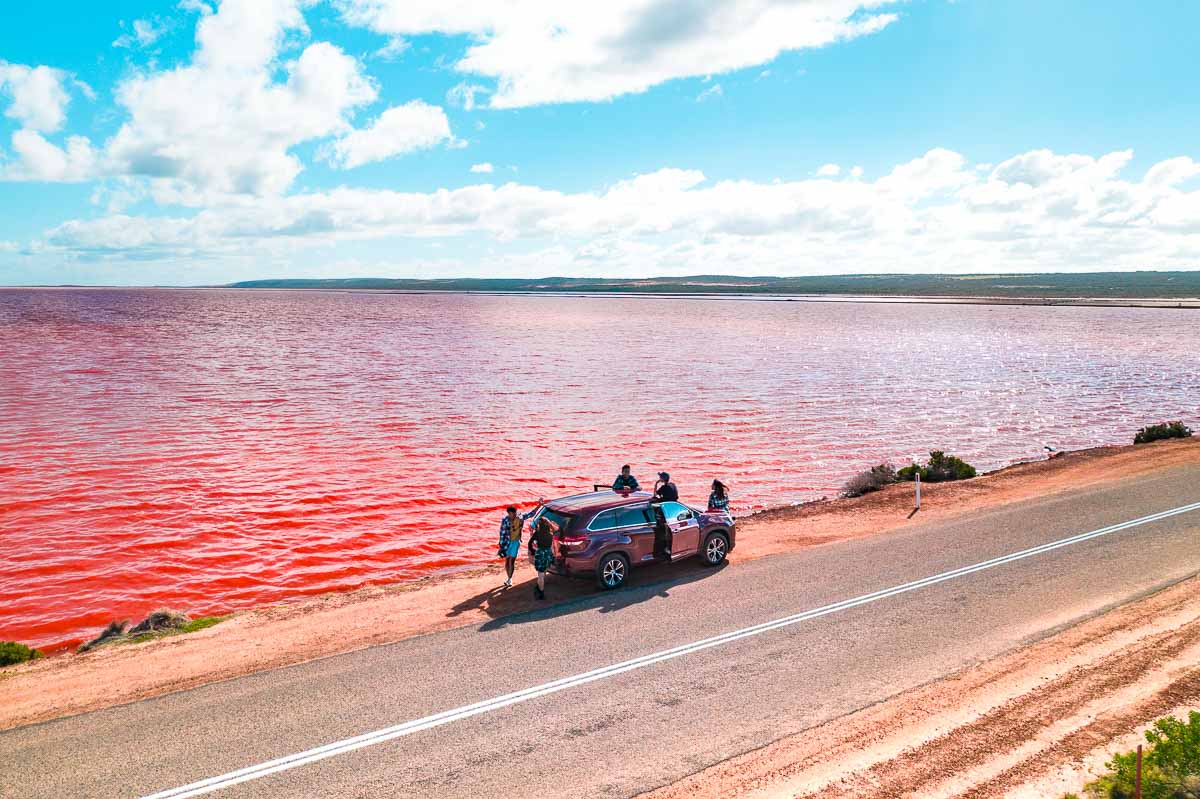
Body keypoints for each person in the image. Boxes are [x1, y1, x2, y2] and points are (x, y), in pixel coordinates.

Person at [498, 504, 535, 588]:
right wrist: (501, 546)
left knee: (512, 560)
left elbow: (531, 514)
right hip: (507, 543)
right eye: (512, 514)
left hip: (515, 542)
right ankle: (508, 578)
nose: (513, 515)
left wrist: (539, 505)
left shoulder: (520, 517)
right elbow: (502, 533)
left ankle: (510, 579)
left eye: (514, 514)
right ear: (508, 513)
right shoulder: (505, 520)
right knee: (507, 560)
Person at [530, 517, 555, 600]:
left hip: (540, 553)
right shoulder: (551, 534)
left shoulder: (537, 533)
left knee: (540, 575)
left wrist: (533, 551)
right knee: (544, 571)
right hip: (548, 553)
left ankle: (541, 592)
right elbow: (552, 546)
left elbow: (530, 543)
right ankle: (539, 587)